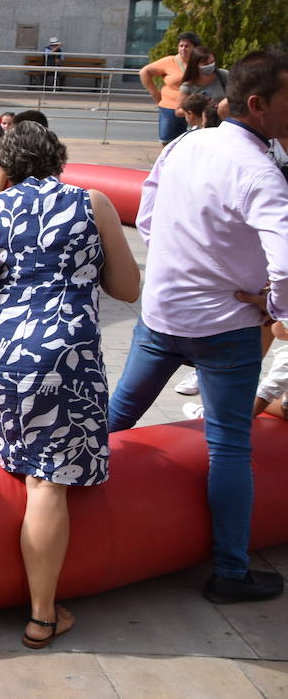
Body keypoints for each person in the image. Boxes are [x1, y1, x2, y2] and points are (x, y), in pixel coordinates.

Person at [0, 121, 139, 647]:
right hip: (64, 355)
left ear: (6, 164)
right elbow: (126, 288)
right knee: (47, 479)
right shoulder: (92, 201)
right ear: (57, 157)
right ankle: (42, 615)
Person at [109, 50, 288, 605]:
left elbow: (147, 210)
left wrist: (175, 258)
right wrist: (274, 307)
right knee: (229, 447)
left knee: (116, 417)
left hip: (163, 314)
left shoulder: (188, 143)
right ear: (258, 105)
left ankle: (45, 501)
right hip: (226, 328)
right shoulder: (260, 172)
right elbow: (285, 263)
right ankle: (230, 573)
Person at [141, 31, 202, 144]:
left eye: (187, 46)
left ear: (194, 48)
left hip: (195, 109)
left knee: (194, 142)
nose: (183, 49)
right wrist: (155, 94)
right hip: (170, 108)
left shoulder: (201, 62)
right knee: (168, 141)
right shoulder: (169, 61)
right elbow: (144, 72)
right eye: (181, 45)